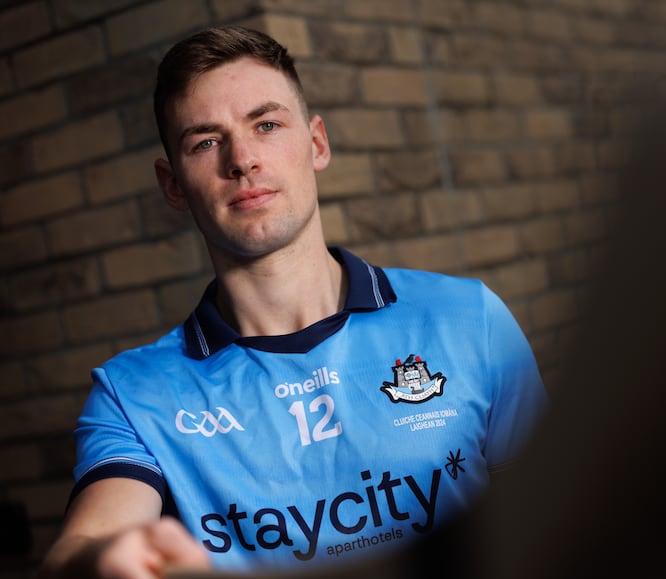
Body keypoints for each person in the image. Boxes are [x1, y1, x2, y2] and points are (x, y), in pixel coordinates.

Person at [38, 25, 547, 578]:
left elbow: (555, 514)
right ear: (173, 185)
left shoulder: (469, 317)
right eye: (205, 142)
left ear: (317, 143)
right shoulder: (133, 395)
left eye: (266, 124)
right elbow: (81, 545)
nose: (242, 159)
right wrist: (100, 560)